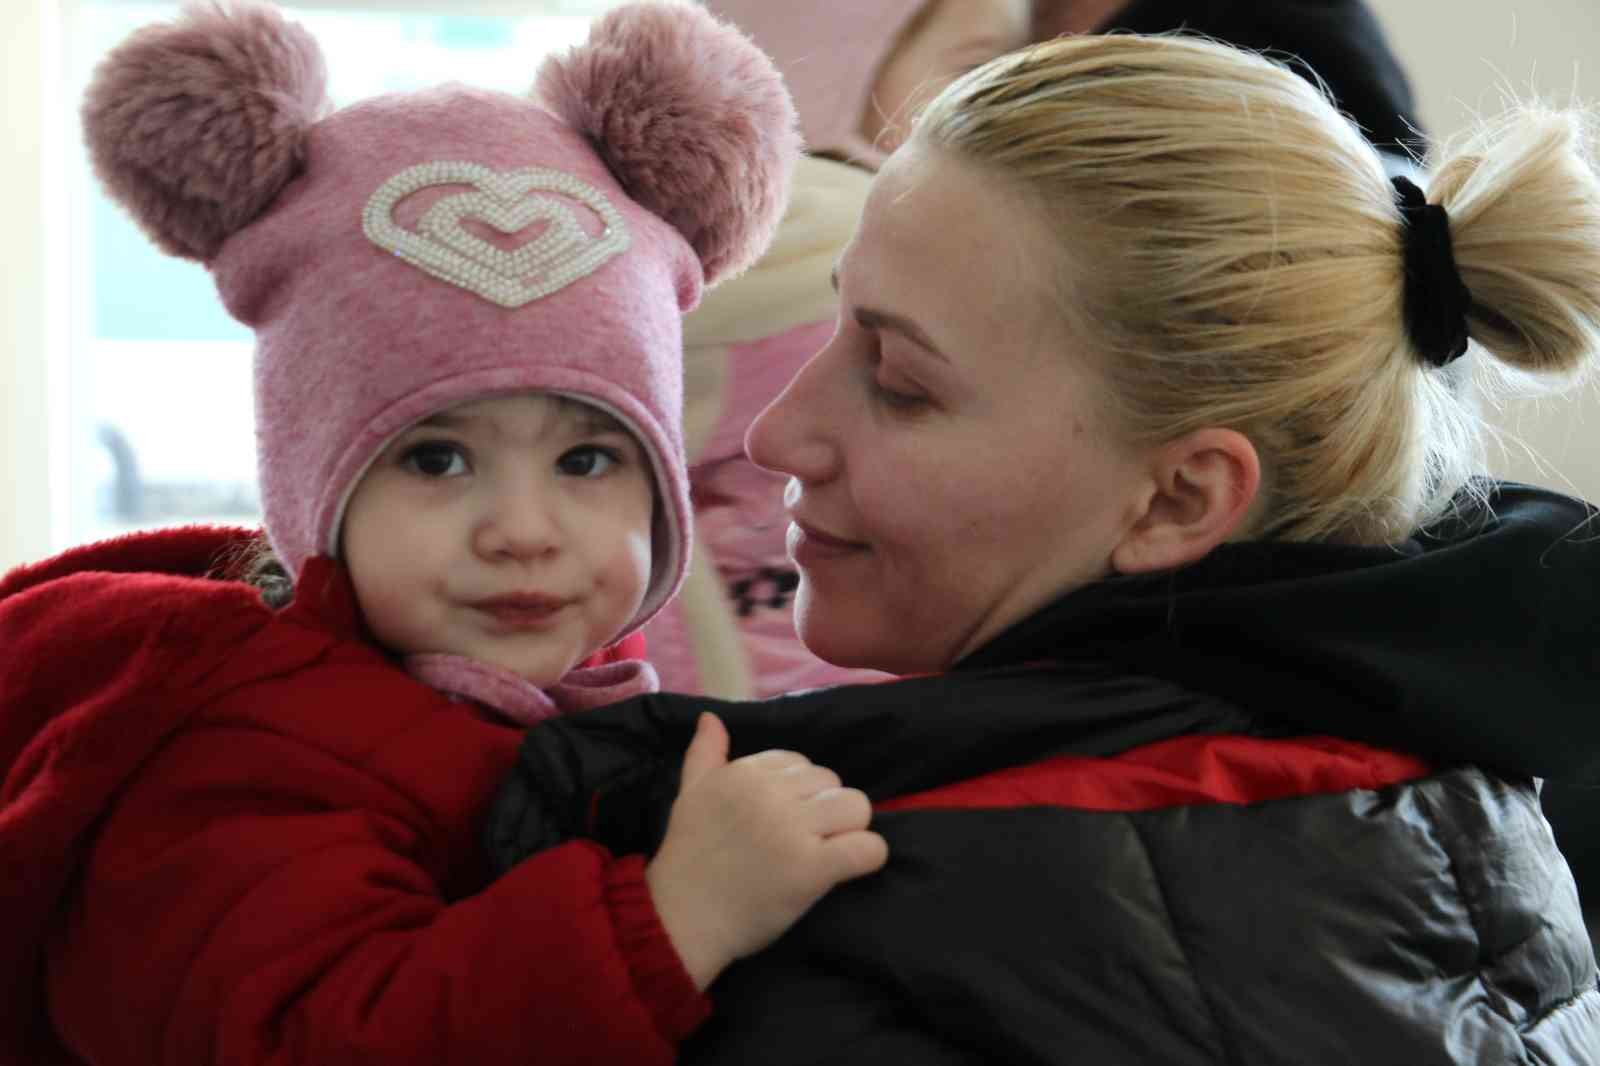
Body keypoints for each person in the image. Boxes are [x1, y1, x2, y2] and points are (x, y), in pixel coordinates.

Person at [488, 30, 1600, 1064]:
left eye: (901, 382)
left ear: (1177, 498)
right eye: (840, 327)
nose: (780, 434)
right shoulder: (1451, 796)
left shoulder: (907, 915)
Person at [0, 4, 889, 1064]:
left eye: (587, 459)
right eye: (435, 458)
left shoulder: (564, 696)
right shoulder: (249, 752)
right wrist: (671, 918)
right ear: (313, 484)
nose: (521, 530)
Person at [639, 0, 1029, 698]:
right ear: (829, 69)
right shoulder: (839, 270)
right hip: (804, 719)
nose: (1007, 102)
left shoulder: (657, 255)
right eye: (975, 69)